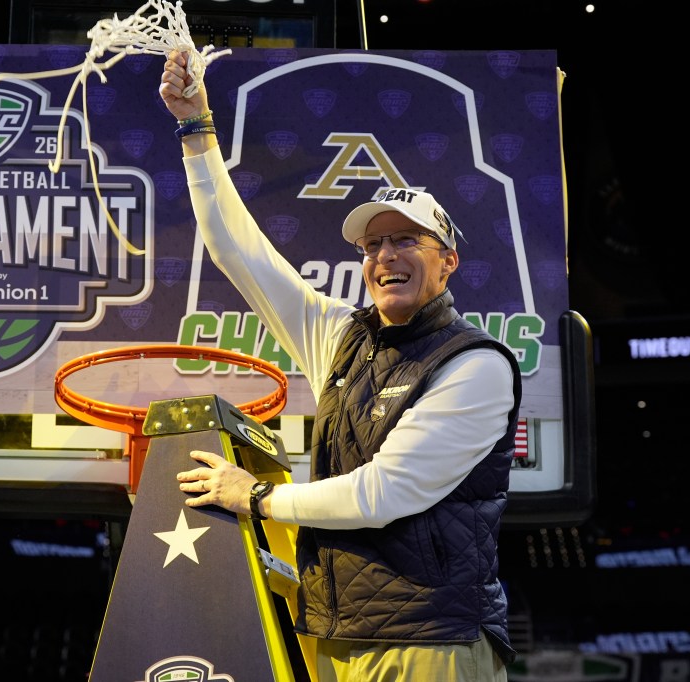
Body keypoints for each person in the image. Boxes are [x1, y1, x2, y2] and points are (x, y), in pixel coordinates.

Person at [159, 51, 522, 682]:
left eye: (407, 239)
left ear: (448, 262)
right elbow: (237, 250)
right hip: (335, 631)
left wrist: (259, 496)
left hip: (428, 640)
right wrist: (197, 128)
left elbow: (387, 493)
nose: (387, 255)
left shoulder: (478, 366)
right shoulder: (343, 339)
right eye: (374, 243)